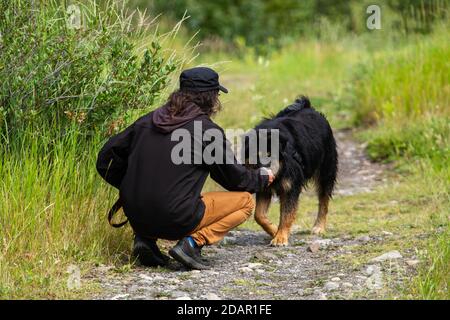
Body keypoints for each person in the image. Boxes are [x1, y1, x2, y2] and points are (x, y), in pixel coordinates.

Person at [97, 67, 274, 270]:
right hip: (176, 219)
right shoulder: (206, 131)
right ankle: (192, 244)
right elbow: (235, 180)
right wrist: (261, 178)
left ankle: (144, 240)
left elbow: (104, 160)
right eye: (217, 94)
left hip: (136, 215)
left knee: (165, 197)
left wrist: (131, 186)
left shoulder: (147, 121)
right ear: (210, 98)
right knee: (245, 202)